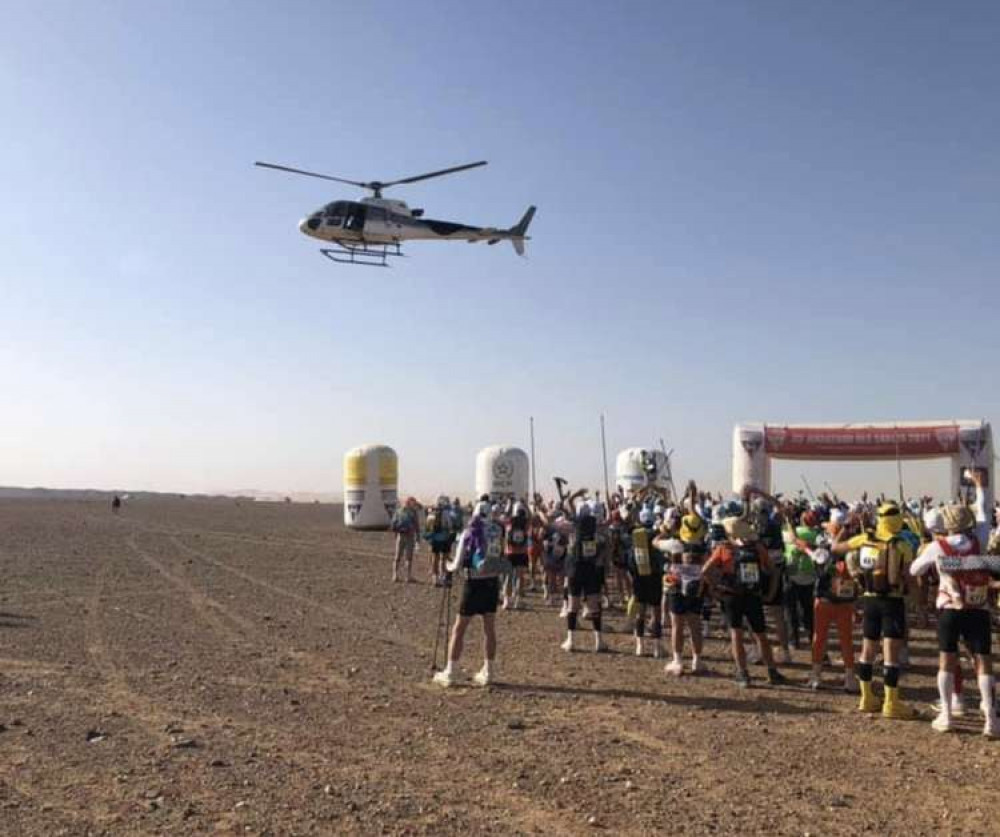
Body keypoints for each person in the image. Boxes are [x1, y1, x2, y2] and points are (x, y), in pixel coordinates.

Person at [910, 472, 999, 736]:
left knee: (947, 661)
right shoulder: (979, 539)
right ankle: (991, 720)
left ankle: (947, 715)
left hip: (950, 608)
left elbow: (915, 570)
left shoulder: (938, 547)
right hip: (978, 608)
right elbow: (983, 511)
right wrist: (980, 486)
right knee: (984, 661)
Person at [832, 502, 917, 719]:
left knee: (867, 650)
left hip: (869, 600)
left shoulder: (865, 539)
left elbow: (835, 548)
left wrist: (846, 526)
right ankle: (891, 702)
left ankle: (866, 697)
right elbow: (908, 576)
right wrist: (917, 601)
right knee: (890, 655)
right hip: (893, 601)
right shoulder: (903, 545)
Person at [702, 513, 786, 688]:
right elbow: (773, 571)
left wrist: (714, 589)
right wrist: (770, 593)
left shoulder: (724, 549)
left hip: (731, 595)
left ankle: (743, 673)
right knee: (761, 635)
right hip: (753, 595)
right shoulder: (757, 548)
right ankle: (772, 671)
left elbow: (705, 571)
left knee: (736, 634)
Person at [433, 501, 508, 687]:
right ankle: (489, 671)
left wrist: (448, 567)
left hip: (473, 583)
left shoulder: (470, 532)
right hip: (492, 583)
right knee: (489, 628)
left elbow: (457, 563)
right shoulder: (498, 531)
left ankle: (451, 671)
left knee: (459, 628)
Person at [808, 536, 858, 692]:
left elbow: (809, 552)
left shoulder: (820, 557)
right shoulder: (848, 560)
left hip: (823, 603)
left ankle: (816, 676)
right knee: (846, 640)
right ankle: (849, 678)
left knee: (819, 638)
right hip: (844, 604)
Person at [561, 502, 607, 653]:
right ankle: (599, 641)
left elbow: (566, 510)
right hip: (591, 569)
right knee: (594, 606)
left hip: (575, 569)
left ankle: (571, 640)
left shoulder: (574, 527)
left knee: (573, 606)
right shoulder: (596, 528)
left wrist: (571, 499)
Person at [660, 537, 705, 675]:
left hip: (677, 590)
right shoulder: (701, 557)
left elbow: (656, 542)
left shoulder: (675, 552)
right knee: (695, 626)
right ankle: (697, 660)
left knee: (677, 626)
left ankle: (678, 660)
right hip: (695, 590)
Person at [628, 508, 666, 657]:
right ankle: (657, 647)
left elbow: (630, 559)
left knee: (640, 612)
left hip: (639, 577)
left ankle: (640, 646)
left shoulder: (635, 536)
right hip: (655, 577)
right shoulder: (657, 535)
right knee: (656, 613)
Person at [503, 501, 531, 609]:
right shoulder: (525, 524)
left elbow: (506, 514)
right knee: (520, 577)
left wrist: (509, 503)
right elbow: (531, 516)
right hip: (522, 552)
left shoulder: (509, 522)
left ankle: (507, 601)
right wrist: (527, 505)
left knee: (508, 577)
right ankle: (518, 601)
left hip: (510, 552)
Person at [424, 497, 454, 586]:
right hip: (444, 539)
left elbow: (427, 527)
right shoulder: (446, 513)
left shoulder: (430, 514)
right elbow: (450, 525)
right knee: (443, 559)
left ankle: (435, 579)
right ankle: (442, 576)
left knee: (434, 559)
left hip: (434, 539)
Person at [390, 497, 421, 583]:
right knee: (408, 558)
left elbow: (393, 524)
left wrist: (396, 535)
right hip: (409, 536)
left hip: (400, 536)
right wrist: (418, 538)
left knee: (397, 557)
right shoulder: (413, 513)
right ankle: (408, 576)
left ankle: (395, 575)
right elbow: (417, 526)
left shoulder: (398, 511)